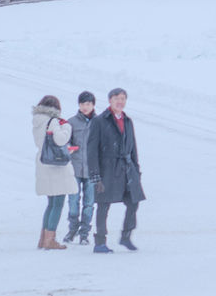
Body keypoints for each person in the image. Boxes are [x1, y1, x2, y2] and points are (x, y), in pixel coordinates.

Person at [86, 88, 145, 254]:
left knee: (133, 202)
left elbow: (133, 147)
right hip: (107, 169)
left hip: (127, 169)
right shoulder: (99, 121)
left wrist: (136, 170)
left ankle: (126, 236)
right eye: (117, 98)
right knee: (104, 205)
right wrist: (95, 175)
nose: (120, 102)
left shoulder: (127, 121)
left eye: (123, 99)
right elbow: (91, 150)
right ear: (110, 100)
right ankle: (99, 242)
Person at [32, 95, 75, 250]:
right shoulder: (53, 121)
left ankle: (43, 240)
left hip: (43, 164)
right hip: (55, 166)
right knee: (58, 203)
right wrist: (67, 127)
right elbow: (60, 140)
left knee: (50, 204)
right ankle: (50, 240)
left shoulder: (37, 122)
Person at [62, 91, 97, 244]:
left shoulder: (99, 122)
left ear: (93, 105)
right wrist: (69, 147)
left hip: (92, 170)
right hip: (75, 168)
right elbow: (64, 142)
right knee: (73, 201)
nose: (85, 107)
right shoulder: (71, 122)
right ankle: (73, 228)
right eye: (82, 104)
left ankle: (84, 233)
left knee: (89, 203)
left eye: (88, 104)